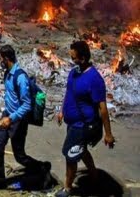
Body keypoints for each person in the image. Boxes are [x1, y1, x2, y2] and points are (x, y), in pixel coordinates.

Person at [0, 44, 51, 190]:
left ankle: (42, 168)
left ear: (6, 58)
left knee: (19, 156)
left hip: (18, 120)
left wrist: (11, 118)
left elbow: (27, 104)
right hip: (7, 114)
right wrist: (6, 114)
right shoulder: (7, 73)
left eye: (0, 58)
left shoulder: (20, 77)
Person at [55, 41, 115, 197]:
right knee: (80, 150)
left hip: (83, 125)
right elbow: (69, 92)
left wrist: (108, 134)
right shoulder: (74, 72)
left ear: (82, 58)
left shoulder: (95, 79)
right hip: (72, 122)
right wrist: (62, 111)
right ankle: (94, 175)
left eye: (73, 57)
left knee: (70, 154)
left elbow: (102, 109)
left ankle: (67, 188)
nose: (71, 59)